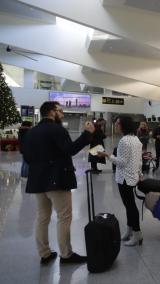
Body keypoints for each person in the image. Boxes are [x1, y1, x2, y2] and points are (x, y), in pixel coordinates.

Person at [22, 101, 95, 265]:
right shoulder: (57, 129)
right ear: (52, 112)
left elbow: (27, 158)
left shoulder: (31, 133)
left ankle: (44, 253)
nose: (62, 113)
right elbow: (70, 149)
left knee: (42, 217)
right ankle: (66, 254)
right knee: (64, 217)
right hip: (57, 180)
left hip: (38, 181)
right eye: (60, 110)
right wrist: (87, 134)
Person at [97, 116, 143, 246]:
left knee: (130, 207)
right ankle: (130, 231)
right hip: (132, 177)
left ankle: (137, 233)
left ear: (124, 125)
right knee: (130, 206)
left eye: (118, 123)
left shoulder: (124, 141)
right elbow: (139, 160)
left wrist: (107, 155)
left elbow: (121, 162)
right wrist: (140, 173)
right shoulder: (136, 139)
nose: (116, 125)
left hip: (124, 178)